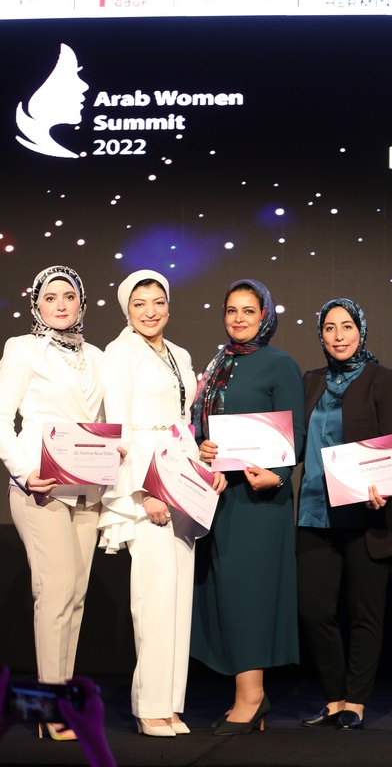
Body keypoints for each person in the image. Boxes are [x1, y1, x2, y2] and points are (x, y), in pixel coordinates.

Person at [99, 270, 224, 738]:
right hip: (147, 485)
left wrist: (202, 471)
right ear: (126, 310)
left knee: (177, 600)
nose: (150, 311)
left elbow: (181, 422)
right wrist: (144, 490)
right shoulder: (119, 354)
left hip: (181, 480)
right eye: (139, 304)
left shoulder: (180, 354)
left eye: (158, 302)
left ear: (169, 305)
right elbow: (118, 429)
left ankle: (170, 704)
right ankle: (148, 705)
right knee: (153, 598)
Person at [297, 298, 392, 731]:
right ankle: (334, 698)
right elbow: (293, 442)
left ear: (361, 331)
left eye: (347, 326)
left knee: (365, 612)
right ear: (321, 335)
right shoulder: (310, 380)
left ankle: (357, 702)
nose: (339, 335)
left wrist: (382, 486)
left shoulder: (383, 378)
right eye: (329, 328)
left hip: (367, 513)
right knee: (314, 609)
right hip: (315, 511)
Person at [192, 279, 305, 735]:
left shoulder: (280, 364)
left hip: (260, 499)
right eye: (231, 310)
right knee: (226, 593)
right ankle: (246, 694)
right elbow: (202, 429)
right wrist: (203, 446)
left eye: (249, 311)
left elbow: (295, 433)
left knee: (250, 594)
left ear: (265, 316)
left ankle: (252, 697)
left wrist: (277, 474)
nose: (239, 319)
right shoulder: (218, 364)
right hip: (220, 497)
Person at [0, 266, 104, 742]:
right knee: (55, 591)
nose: (60, 304)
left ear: (81, 303)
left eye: (69, 296)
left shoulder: (96, 356)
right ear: (37, 304)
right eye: (50, 297)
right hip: (39, 487)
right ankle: (48, 706)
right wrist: (24, 473)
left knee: (74, 597)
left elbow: (102, 420)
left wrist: (117, 449)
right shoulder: (23, 348)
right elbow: (2, 418)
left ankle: (60, 700)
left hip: (87, 488)